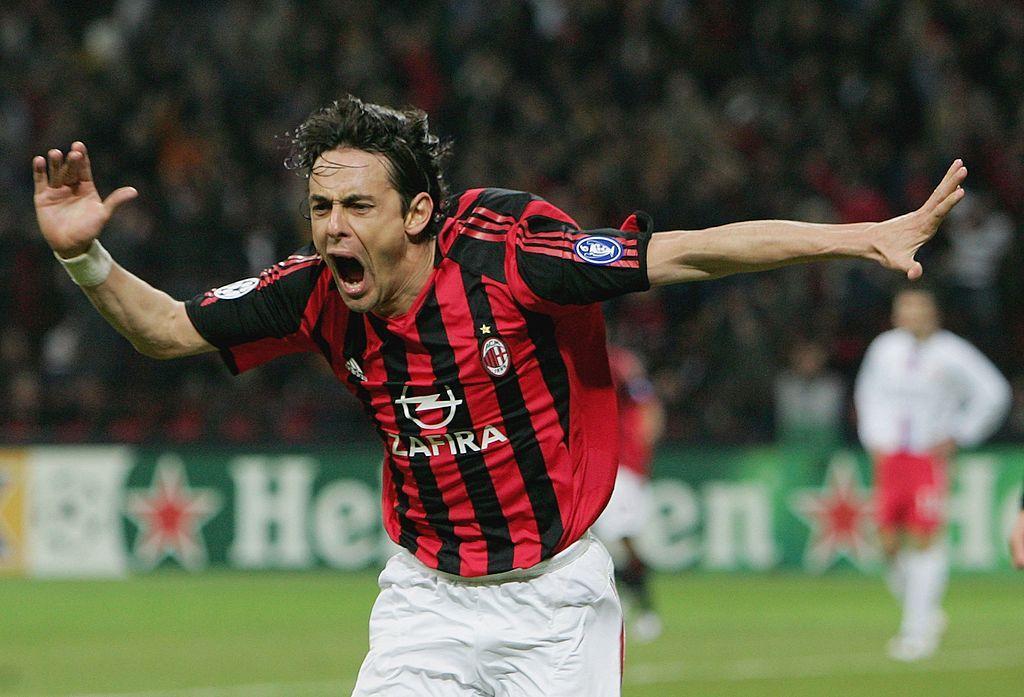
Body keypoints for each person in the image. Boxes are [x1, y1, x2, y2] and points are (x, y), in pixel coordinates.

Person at [33, 95, 967, 696]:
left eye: (356, 206)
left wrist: (858, 237)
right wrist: (82, 251)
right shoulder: (312, 292)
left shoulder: (513, 261)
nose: (331, 229)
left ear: (417, 214)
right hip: (424, 602)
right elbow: (163, 327)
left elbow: (689, 249)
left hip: (554, 607)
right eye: (320, 208)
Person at [854, 288, 1010, 662]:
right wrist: (873, 438)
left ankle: (917, 631)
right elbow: (867, 394)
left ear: (933, 313)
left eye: (917, 308)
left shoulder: (952, 353)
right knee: (887, 542)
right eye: (904, 308)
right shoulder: (884, 349)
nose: (910, 315)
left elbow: (994, 392)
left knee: (925, 538)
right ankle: (922, 607)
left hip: (926, 457)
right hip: (890, 456)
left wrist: (960, 433)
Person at [592, 345, 665, 643]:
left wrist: (642, 447)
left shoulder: (615, 362)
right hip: (604, 464)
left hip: (622, 466)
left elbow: (647, 403)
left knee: (617, 540)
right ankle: (632, 607)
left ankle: (646, 609)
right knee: (603, 542)